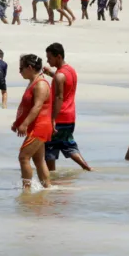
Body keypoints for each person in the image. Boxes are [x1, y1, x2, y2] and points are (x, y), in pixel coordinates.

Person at [43, 43, 92, 172]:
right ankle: (87, 168)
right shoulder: (70, 70)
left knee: (50, 148)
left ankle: (50, 177)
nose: (47, 60)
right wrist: (51, 74)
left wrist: (52, 119)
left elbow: (59, 97)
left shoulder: (60, 75)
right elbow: (63, 80)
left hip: (59, 117)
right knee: (68, 144)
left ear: (58, 57)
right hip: (70, 116)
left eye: (50, 58)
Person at [12, 54, 53, 189]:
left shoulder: (40, 84)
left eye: (21, 68)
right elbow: (26, 106)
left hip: (39, 126)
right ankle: (47, 188)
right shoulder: (33, 82)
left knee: (23, 157)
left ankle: (27, 190)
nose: (20, 71)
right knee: (39, 160)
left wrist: (24, 124)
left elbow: (37, 107)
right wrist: (18, 122)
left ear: (29, 67)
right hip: (36, 125)